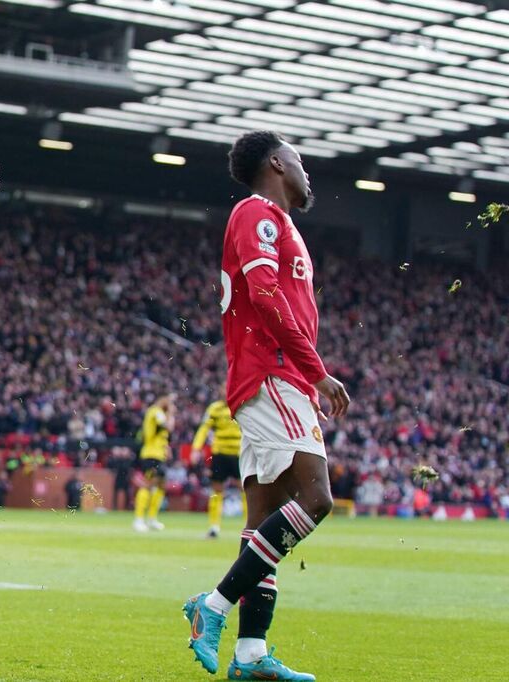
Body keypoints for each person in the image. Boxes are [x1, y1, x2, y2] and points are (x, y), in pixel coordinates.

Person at [184, 130, 350, 681]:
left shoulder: (280, 223)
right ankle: (211, 607)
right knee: (317, 499)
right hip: (272, 372)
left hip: (277, 377)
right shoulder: (256, 213)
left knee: (262, 523)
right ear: (277, 163)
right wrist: (315, 372)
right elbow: (265, 295)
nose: (307, 173)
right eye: (300, 161)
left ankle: (251, 653)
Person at [191, 386, 243, 538]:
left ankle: (249, 526)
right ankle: (214, 527)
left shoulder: (241, 405)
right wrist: (196, 448)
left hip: (239, 453)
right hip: (219, 453)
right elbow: (203, 429)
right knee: (217, 490)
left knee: (245, 490)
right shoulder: (214, 409)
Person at [133, 392, 175, 532]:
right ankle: (138, 519)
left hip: (158, 455)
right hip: (151, 454)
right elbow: (168, 426)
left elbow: (163, 434)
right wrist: (170, 413)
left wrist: (166, 448)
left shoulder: (158, 413)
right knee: (148, 485)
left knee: (161, 485)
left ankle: (152, 518)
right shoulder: (155, 412)